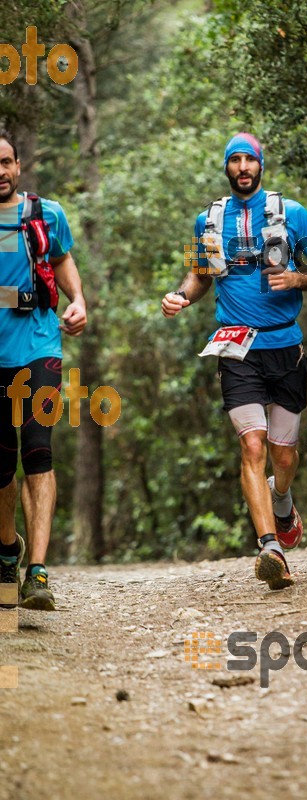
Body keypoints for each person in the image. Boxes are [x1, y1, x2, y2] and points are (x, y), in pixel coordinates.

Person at [162, 132, 307, 590]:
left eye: (249, 159)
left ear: (261, 165)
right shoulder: (209, 219)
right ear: (226, 167)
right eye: (234, 160)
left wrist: (298, 278)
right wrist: (180, 296)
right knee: (252, 446)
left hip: (285, 346)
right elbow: (200, 274)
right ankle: (269, 548)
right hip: (235, 347)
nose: (242, 166)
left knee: (283, 454)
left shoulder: (292, 213)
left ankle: (283, 501)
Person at [0, 130, 87, 611]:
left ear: (18, 165)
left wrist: (77, 300)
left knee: (37, 450)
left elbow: (62, 257)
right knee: (1, 466)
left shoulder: (45, 214)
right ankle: (6, 549)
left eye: (7, 162)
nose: (1, 171)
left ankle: (37, 570)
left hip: (39, 347)